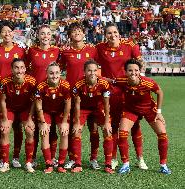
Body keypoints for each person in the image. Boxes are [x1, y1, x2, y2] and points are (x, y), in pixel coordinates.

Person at [95, 23, 148, 170]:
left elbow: (140, 64)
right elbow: (94, 68)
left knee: (134, 125)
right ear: (105, 35)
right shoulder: (99, 48)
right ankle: (113, 159)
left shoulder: (129, 45)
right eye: (109, 33)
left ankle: (140, 158)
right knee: (113, 125)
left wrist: (139, 81)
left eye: (115, 32)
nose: (113, 35)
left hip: (128, 91)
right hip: (109, 93)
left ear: (119, 33)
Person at [113, 59, 171, 175]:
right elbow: (111, 81)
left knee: (162, 134)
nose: (133, 73)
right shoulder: (122, 80)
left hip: (149, 109)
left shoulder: (148, 82)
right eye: (130, 70)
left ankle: (163, 165)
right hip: (131, 110)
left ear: (140, 71)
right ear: (125, 71)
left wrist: (159, 112)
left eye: (136, 70)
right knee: (123, 133)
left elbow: (159, 92)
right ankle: (125, 164)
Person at [59, 22, 97, 169]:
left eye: (79, 31)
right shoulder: (66, 53)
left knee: (93, 128)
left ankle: (93, 158)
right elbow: (58, 70)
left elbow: (100, 69)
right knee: (73, 128)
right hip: (73, 96)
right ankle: (72, 158)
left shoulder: (92, 51)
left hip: (92, 95)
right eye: (74, 32)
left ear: (84, 33)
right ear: (69, 35)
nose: (77, 33)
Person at [0, 21, 25, 168]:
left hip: (17, 93)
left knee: (17, 126)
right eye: (4, 31)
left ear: (13, 32)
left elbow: (24, 70)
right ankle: (2, 156)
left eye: (9, 31)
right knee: (1, 126)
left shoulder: (21, 50)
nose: (7, 34)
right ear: (0, 34)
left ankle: (15, 157)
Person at [25, 24, 60, 167]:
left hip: (52, 94)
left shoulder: (57, 51)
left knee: (50, 128)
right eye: (42, 34)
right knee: (35, 126)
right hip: (35, 94)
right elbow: (25, 67)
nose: (45, 36)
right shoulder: (31, 50)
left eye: (48, 34)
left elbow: (60, 69)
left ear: (51, 36)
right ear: (38, 36)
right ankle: (32, 158)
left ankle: (51, 157)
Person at [71, 59, 113, 173]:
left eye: (95, 70)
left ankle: (107, 163)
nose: (92, 73)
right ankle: (77, 163)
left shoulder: (104, 83)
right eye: (89, 71)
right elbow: (77, 104)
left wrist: (107, 122)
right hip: (83, 109)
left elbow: (106, 103)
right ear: (84, 72)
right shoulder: (79, 84)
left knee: (107, 131)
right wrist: (76, 122)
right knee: (76, 131)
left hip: (99, 108)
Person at [0, 58, 37, 173]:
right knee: (5, 130)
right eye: (16, 67)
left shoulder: (32, 81)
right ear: (12, 69)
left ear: (25, 69)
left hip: (25, 109)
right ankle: (5, 162)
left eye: (21, 68)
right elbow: (2, 101)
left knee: (30, 131)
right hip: (10, 109)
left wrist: (30, 119)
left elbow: (34, 101)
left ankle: (28, 162)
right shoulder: (4, 82)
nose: (19, 71)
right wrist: (4, 119)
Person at [35, 62, 71, 173]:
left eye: (56, 73)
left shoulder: (65, 85)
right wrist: (43, 122)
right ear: (46, 73)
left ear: (60, 73)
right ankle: (48, 163)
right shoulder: (41, 86)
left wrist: (65, 122)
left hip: (60, 112)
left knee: (64, 132)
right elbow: (38, 106)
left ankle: (61, 163)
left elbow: (68, 104)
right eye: (51, 73)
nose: (54, 76)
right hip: (46, 112)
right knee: (44, 132)